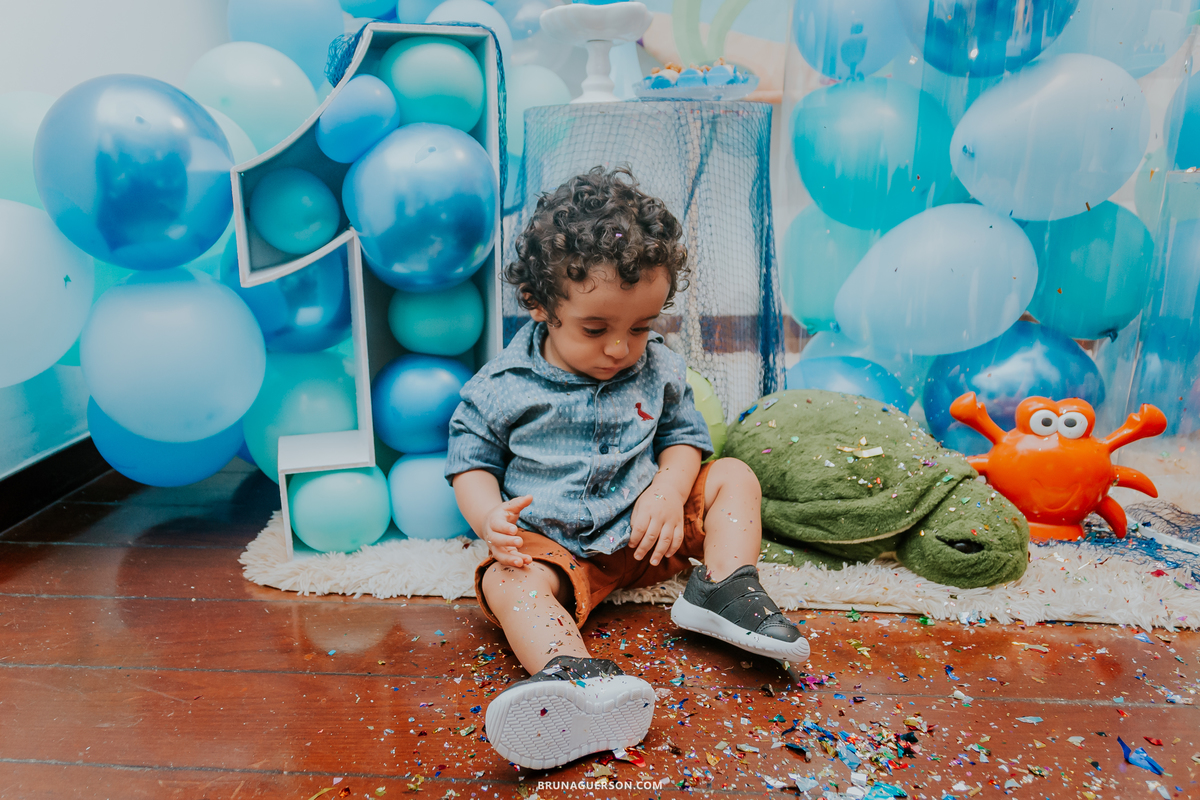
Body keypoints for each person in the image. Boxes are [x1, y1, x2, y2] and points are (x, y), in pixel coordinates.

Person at [445, 166, 809, 770]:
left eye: (641, 326)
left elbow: (685, 438)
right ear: (539, 304)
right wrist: (490, 519)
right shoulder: (503, 386)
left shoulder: (658, 369)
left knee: (734, 476)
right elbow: (470, 461)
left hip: (650, 534)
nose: (620, 348)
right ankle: (575, 677)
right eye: (595, 329)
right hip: (557, 550)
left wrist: (670, 488)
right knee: (507, 581)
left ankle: (724, 586)